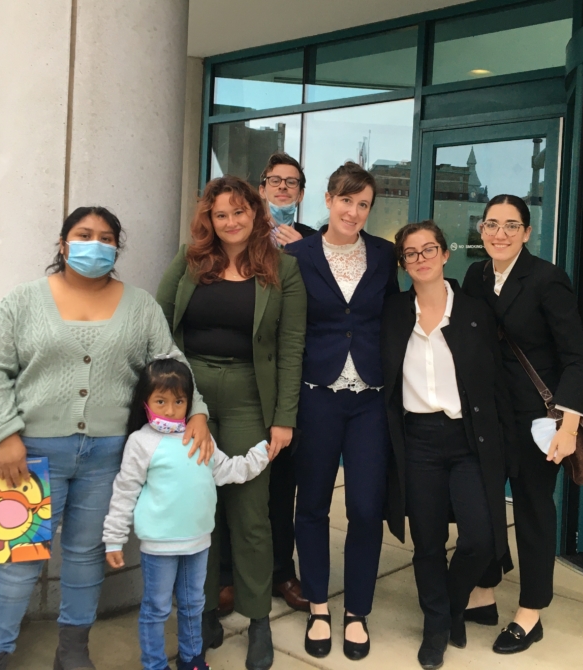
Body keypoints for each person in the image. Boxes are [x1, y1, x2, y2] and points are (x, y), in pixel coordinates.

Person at [0, 206, 213, 670]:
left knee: (85, 556)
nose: (95, 244)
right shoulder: (22, 302)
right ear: (63, 243)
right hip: (30, 453)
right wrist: (5, 434)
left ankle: (73, 650)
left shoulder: (139, 305)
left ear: (117, 248)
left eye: (106, 238)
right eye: (84, 234)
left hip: (107, 454)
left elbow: (170, 361)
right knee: (16, 560)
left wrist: (197, 411)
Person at [156, 175, 306, 670]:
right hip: (190, 395)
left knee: (250, 513)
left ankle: (258, 617)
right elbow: (160, 323)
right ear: (209, 219)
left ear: (256, 212)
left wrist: (283, 419)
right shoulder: (189, 260)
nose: (231, 222)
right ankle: (201, 617)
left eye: (239, 212)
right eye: (221, 214)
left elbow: (289, 348)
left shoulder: (282, 268)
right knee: (199, 509)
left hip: (248, 397)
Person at [462, 194, 583, 655]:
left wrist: (569, 427)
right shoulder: (475, 276)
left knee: (534, 510)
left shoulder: (547, 280)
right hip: (488, 414)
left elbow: (577, 360)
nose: (500, 233)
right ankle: (482, 591)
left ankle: (531, 612)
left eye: (511, 225)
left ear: (528, 232)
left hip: (540, 420)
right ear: (480, 230)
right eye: (492, 224)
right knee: (483, 505)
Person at [381, 221, 514, 669]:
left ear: (444, 255)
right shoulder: (394, 312)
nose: (421, 259)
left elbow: (496, 384)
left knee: (480, 536)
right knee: (428, 542)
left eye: (428, 249)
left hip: (466, 440)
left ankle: (453, 604)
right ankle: (437, 625)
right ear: (403, 264)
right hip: (417, 441)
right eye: (411, 253)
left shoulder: (475, 312)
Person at [285, 161, 398, 661]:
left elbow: (395, 319)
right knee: (310, 505)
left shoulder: (386, 255)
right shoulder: (296, 255)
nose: (354, 211)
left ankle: (357, 610)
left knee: (366, 508)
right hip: (316, 395)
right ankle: (317, 605)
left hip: (370, 399)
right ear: (328, 200)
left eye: (364, 204)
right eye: (346, 200)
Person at [102, 357, 273, 670]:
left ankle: (192, 659)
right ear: (146, 402)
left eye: (179, 401)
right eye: (161, 401)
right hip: (159, 545)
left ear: (190, 402)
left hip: (197, 542)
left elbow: (228, 470)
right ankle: (154, 664)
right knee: (156, 608)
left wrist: (260, 454)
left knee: (194, 605)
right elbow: (125, 491)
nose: (170, 409)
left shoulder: (199, 438)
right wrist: (113, 538)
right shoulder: (141, 442)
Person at [214, 153, 314, 617]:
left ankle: (280, 570)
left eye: (292, 183)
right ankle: (230, 575)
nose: (283, 189)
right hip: (236, 386)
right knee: (230, 486)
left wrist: (300, 253)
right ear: (260, 188)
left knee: (279, 487)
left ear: (302, 193)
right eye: (275, 181)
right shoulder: (235, 238)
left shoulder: (312, 242)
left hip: (287, 384)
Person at [259, 152, 318, 247]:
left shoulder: (316, 240)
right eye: (275, 181)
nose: (282, 186)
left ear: (301, 195)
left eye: (291, 182)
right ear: (262, 191)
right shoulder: (246, 235)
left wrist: (304, 251)